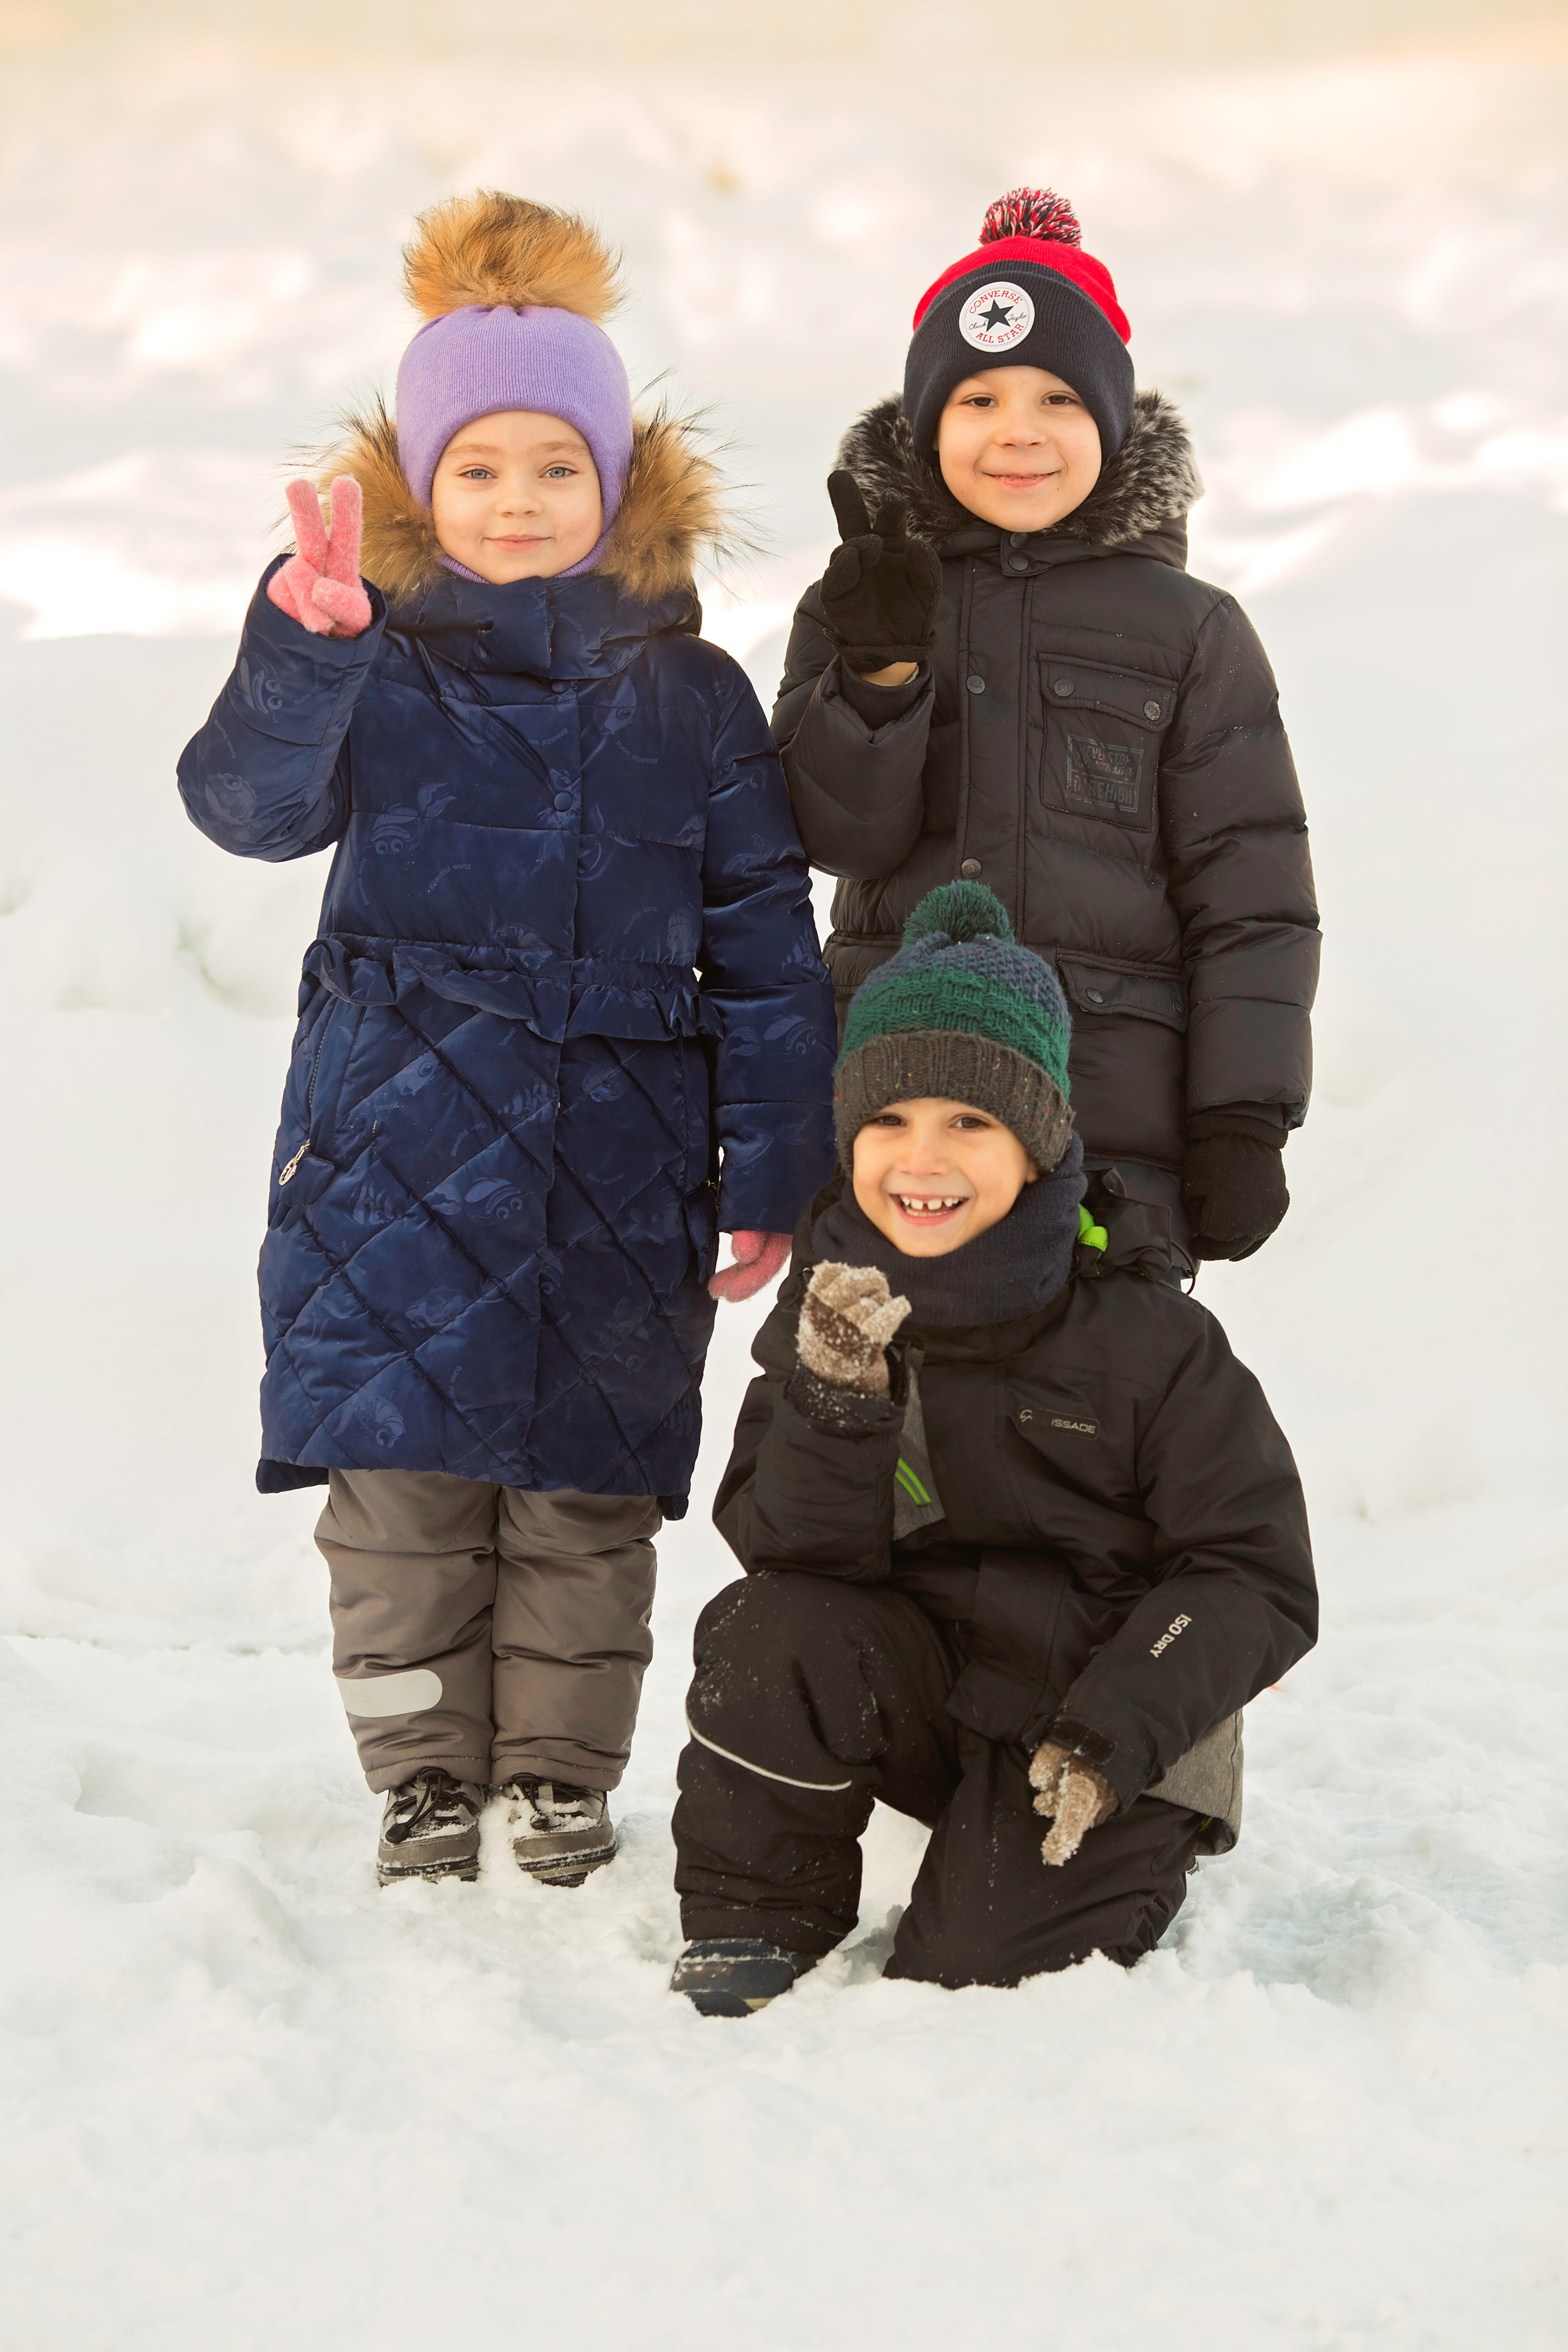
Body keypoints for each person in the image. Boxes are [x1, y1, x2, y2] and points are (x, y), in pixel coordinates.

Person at [178, 191, 835, 1891]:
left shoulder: (691, 697)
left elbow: (765, 942)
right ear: (418, 487)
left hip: (621, 1157)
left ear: (617, 483)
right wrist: (300, 652)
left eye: (557, 466)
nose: (520, 500)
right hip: (392, 1142)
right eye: (478, 469)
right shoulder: (373, 661)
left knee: (580, 1501)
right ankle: (416, 1771)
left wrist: (766, 1155)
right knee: (397, 1492)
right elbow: (246, 813)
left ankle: (554, 1772)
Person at [668, 883, 1315, 2012]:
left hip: (1107, 1717)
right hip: (933, 1682)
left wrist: (1119, 1731)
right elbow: (786, 1556)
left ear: (1041, 1137)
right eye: (888, 1121)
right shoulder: (835, 1309)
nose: (922, 1161)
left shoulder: (1151, 1334)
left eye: (970, 1121)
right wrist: (840, 1408)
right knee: (765, 1627)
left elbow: (1250, 1570)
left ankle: (1122, 1866)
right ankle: (761, 1917)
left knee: (974, 1976)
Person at [772, 187, 1320, 1274]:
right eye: (977, 399)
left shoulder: (1192, 629)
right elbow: (838, 837)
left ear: (1112, 427)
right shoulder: (869, 597)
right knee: (870, 1411)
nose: (1019, 433)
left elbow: (1251, 893)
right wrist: (878, 673)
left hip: (1107, 1121)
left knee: (1097, 1417)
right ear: (928, 426)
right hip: (898, 1112)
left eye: (1060, 399)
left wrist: (1242, 1117)